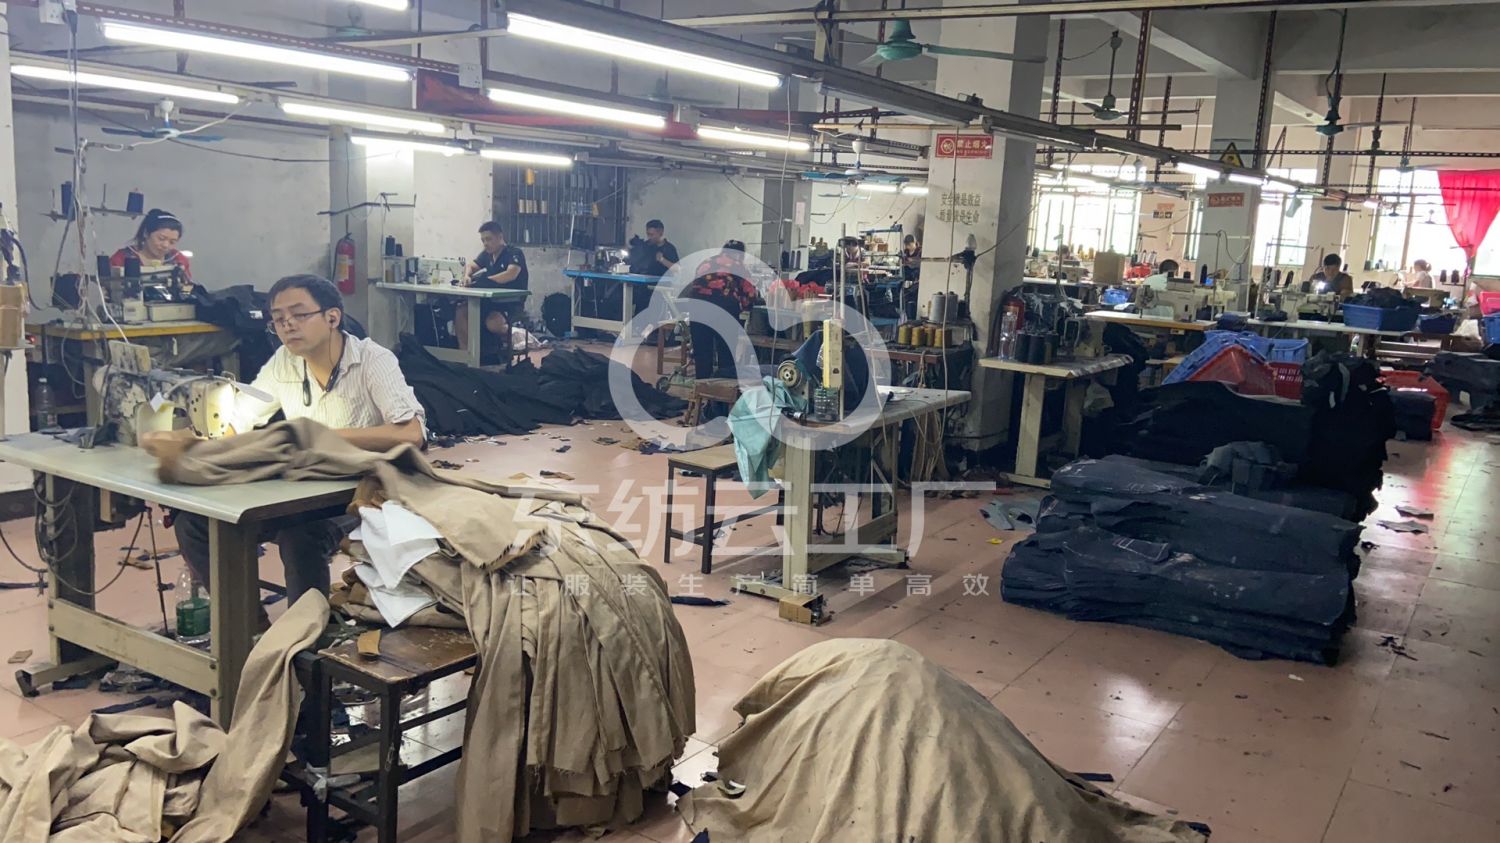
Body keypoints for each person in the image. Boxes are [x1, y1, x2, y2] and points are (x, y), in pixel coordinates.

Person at [143, 275, 426, 617]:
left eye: (299, 314)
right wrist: (199, 447)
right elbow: (240, 419)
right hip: (302, 489)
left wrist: (316, 436)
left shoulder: (372, 360)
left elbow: (411, 433)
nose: (287, 325)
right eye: (278, 319)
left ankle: (308, 635)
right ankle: (248, 628)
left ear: (332, 317)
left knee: (301, 537)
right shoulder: (284, 362)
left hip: (362, 491)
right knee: (194, 524)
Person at [683, 240, 759, 379]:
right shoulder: (738, 266)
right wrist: (746, 306)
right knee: (726, 352)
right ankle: (722, 389)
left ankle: (702, 388)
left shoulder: (706, 262)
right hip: (724, 309)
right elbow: (750, 294)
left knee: (702, 353)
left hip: (697, 307)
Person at [461, 221, 529, 364]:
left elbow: (511, 274)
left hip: (509, 303)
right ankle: (467, 356)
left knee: (492, 324)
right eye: (483, 240)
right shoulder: (487, 255)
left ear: (500, 237)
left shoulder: (514, 253)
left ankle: (515, 334)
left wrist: (485, 281)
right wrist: (467, 276)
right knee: (461, 312)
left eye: (489, 239)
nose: (485, 243)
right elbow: (471, 266)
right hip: (490, 301)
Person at [110, 209, 191, 280]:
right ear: (146, 233)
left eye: (172, 242)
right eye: (161, 238)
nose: (165, 245)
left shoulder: (178, 259)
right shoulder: (122, 258)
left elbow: (188, 287)